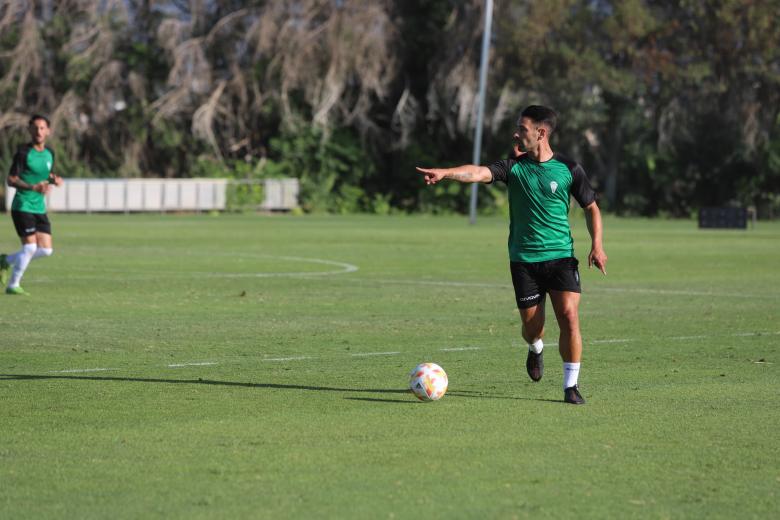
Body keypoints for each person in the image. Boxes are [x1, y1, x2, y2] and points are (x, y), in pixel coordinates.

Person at [416, 105, 607, 404]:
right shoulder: (513, 167)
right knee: (533, 329)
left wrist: (597, 244)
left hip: (561, 257)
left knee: (569, 317)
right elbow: (478, 173)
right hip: (524, 262)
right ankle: (535, 348)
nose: (516, 133)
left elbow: (591, 208)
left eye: (523, 128)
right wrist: (446, 173)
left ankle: (571, 386)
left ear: (541, 133)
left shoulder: (569, 169)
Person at [0, 114, 63, 295]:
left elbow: (47, 175)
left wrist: (54, 180)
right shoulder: (23, 153)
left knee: (46, 250)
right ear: (29, 130)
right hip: (22, 205)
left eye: (42, 128)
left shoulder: (50, 153)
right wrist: (32, 187)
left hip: (39, 207)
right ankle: (13, 285)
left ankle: (5, 260)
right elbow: (11, 179)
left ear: (48, 131)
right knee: (30, 247)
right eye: (35, 128)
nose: (38, 131)